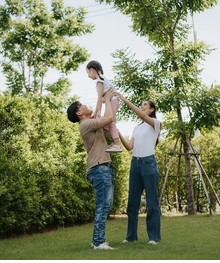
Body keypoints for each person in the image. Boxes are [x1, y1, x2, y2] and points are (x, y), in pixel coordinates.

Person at [66, 89, 115, 250]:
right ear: (79, 112)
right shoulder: (86, 124)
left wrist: (101, 97)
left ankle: (98, 240)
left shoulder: (89, 121)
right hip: (99, 167)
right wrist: (107, 99)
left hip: (102, 167)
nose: (86, 105)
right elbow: (108, 118)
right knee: (103, 205)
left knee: (106, 204)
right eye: (82, 105)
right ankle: (98, 242)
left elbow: (98, 112)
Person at [112, 91, 161, 245]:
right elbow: (129, 147)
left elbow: (141, 116)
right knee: (132, 203)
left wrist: (124, 99)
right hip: (135, 164)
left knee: (152, 203)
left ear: (152, 109)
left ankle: (154, 237)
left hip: (149, 164)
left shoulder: (156, 124)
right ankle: (131, 236)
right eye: (142, 105)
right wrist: (116, 129)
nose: (142, 107)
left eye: (145, 105)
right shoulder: (136, 128)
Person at [86, 60, 122, 153]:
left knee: (110, 122)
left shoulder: (100, 80)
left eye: (88, 72)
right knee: (106, 124)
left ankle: (117, 145)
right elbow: (101, 98)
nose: (88, 76)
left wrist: (97, 112)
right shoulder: (101, 79)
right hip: (111, 101)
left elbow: (99, 98)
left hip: (113, 100)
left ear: (92, 70)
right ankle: (115, 141)